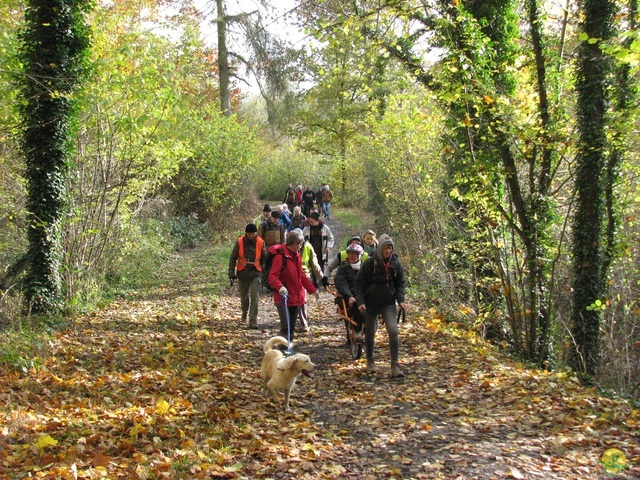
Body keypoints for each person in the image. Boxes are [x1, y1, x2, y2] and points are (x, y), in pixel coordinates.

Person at [354, 234, 406, 378]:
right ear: (380, 248)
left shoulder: (396, 264)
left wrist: (400, 300)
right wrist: (361, 302)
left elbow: (400, 283)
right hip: (370, 303)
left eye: (390, 248)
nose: (388, 251)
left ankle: (395, 365)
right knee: (370, 331)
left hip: (388, 303)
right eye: (385, 248)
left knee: (393, 331)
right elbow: (358, 284)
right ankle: (370, 362)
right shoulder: (370, 263)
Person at [268, 229, 317, 342]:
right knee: (286, 328)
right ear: (295, 244)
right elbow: (272, 277)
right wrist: (280, 287)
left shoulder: (296, 256)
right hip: (283, 297)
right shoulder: (280, 256)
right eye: (300, 244)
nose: (300, 247)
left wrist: (312, 290)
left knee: (291, 328)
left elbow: (301, 275)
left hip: (295, 297)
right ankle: (282, 351)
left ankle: (287, 349)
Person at [228, 223, 267, 329]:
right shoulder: (239, 241)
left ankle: (253, 320)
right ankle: (244, 312)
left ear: (255, 233)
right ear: (246, 233)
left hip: (256, 272)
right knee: (244, 297)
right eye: (249, 233)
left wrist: (264, 272)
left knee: (255, 296)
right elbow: (233, 257)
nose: (251, 235)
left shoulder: (260, 242)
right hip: (242, 272)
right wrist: (231, 271)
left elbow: (264, 258)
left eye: (253, 233)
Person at [334, 243, 365, 345]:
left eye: (354, 254)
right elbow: (341, 283)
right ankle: (358, 332)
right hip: (348, 298)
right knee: (358, 304)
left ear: (359, 256)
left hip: (363, 296)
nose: (351, 256)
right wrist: (349, 296)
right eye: (350, 254)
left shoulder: (364, 269)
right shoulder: (343, 269)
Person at [295, 228, 323, 332]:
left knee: (301, 300)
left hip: (304, 275)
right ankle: (291, 323)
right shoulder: (288, 246)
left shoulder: (308, 247)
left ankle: (304, 324)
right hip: (291, 275)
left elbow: (315, 265)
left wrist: (322, 278)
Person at [258, 210, 286, 289]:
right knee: (266, 267)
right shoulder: (263, 225)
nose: (276, 220)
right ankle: (265, 284)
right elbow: (259, 239)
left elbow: (283, 239)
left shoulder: (280, 226)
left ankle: (274, 285)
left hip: (277, 251)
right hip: (267, 250)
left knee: (277, 269)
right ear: (271, 217)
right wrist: (262, 250)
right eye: (274, 218)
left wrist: (283, 250)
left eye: (277, 218)